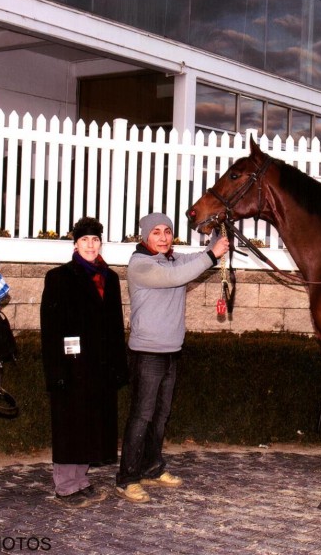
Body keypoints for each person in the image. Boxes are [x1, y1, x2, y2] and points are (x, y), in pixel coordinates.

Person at [116, 212, 229, 503]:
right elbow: (178, 276)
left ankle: (152, 468)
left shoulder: (171, 259)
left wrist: (218, 229)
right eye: (156, 232)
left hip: (170, 351)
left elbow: (200, 257)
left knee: (160, 415)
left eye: (167, 231)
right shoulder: (141, 265)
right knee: (141, 416)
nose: (163, 237)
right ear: (145, 236)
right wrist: (213, 255)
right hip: (147, 353)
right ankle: (127, 478)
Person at [40, 216, 127, 507]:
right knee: (70, 424)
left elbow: (115, 324)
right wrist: (55, 371)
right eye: (85, 240)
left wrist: (118, 366)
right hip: (72, 366)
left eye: (95, 240)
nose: (91, 245)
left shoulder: (110, 278)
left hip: (99, 366)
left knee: (91, 423)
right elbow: (51, 328)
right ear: (75, 244)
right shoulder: (59, 277)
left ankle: (81, 480)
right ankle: (65, 486)